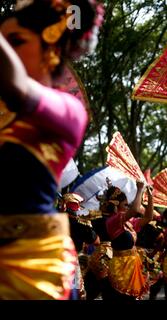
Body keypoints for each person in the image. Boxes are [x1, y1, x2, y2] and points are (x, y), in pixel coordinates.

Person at [0, 0, 102, 299]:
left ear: (52, 49)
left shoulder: (69, 111)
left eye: (15, 41)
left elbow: (16, 86)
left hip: (31, 265)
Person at [105, 181, 154, 300]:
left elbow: (148, 217)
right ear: (116, 205)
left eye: (128, 205)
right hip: (121, 268)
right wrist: (140, 189)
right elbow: (135, 209)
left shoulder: (129, 223)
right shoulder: (113, 221)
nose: (127, 207)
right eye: (126, 205)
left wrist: (150, 196)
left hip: (132, 266)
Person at [61, 192, 99, 300]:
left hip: (54, 260)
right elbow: (96, 241)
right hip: (72, 262)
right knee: (75, 293)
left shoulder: (53, 221)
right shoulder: (82, 225)